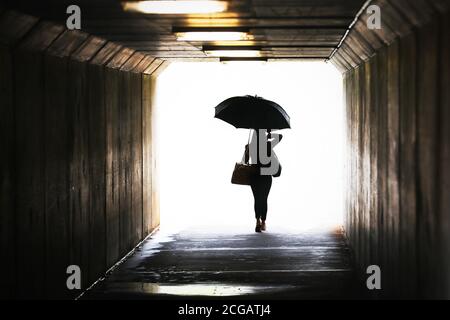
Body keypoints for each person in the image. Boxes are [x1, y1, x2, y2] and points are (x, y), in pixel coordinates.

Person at [243, 129, 283, 232]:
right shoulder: (267, 145)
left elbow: (244, 161)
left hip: (254, 176)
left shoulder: (251, 146)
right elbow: (280, 136)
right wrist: (269, 134)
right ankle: (263, 222)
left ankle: (257, 221)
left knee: (257, 198)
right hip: (266, 176)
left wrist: (247, 149)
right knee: (264, 199)